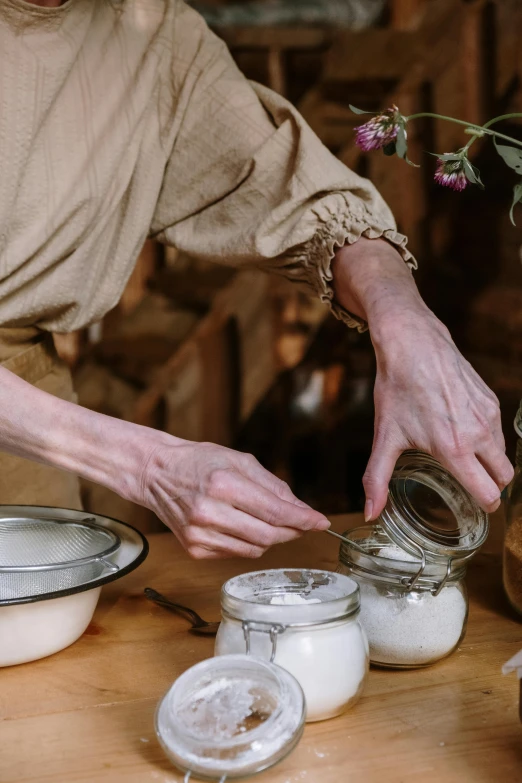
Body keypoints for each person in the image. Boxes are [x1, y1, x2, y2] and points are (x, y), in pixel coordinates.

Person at [0, 0, 513, 559]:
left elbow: (289, 189)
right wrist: (148, 465)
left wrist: (404, 319)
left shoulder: (147, 26)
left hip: (27, 453)